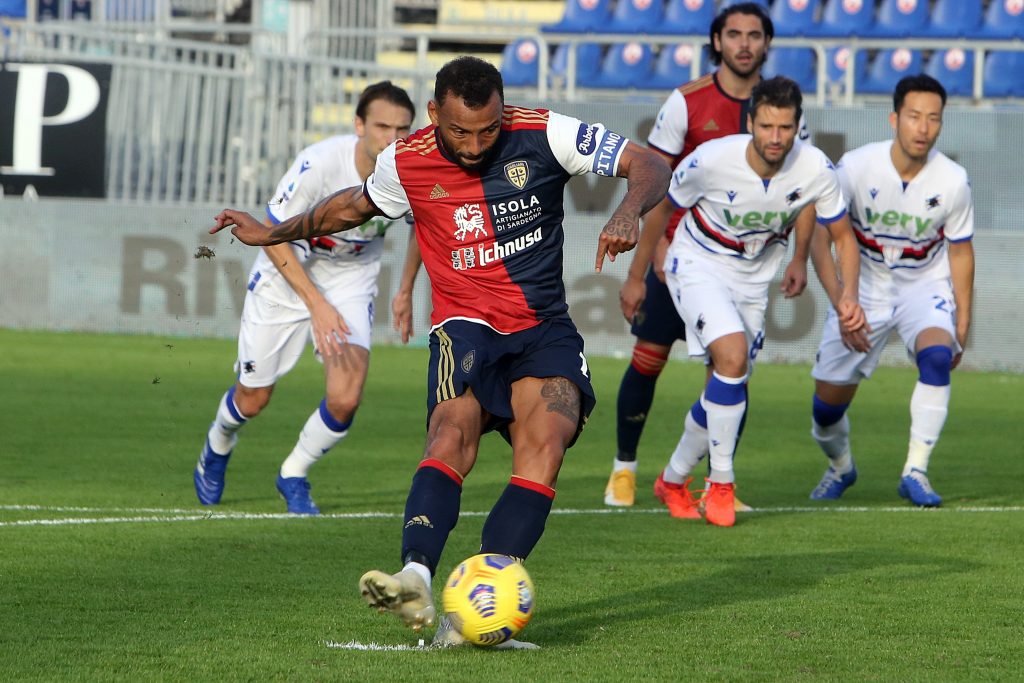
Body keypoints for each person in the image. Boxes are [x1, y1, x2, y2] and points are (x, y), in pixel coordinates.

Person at [209, 57, 671, 640]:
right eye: (460, 131)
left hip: (542, 327)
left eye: (488, 129)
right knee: (451, 434)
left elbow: (651, 164)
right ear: (434, 114)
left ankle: (475, 603)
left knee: (547, 443)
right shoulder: (406, 160)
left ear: (503, 111)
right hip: (465, 327)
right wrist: (271, 232)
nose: (475, 145)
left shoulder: (546, 133)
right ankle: (416, 577)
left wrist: (628, 209)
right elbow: (351, 207)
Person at [632, 76, 865, 526]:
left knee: (728, 382)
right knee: (733, 357)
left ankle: (673, 480)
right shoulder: (711, 159)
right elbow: (662, 205)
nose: (775, 137)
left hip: (755, 280)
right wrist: (636, 273)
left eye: (785, 127)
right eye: (766, 126)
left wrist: (846, 293)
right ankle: (721, 483)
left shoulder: (816, 168)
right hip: (697, 262)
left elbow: (841, 236)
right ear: (751, 123)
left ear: (798, 126)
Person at [606, 2, 809, 509]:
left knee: (730, 369)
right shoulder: (687, 101)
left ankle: (714, 481)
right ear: (717, 41)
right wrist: (637, 271)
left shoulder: (782, 109)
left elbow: (804, 191)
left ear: (767, 43)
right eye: (734, 34)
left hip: (742, 265)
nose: (744, 44)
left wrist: (799, 257)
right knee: (648, 359)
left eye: (754, 35)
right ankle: (624, 470)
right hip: (679, 254)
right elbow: (654, 182)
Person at [193, 81, 420, 515]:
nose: (393, 138)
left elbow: (422, 228)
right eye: (382, 127)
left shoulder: (412, 168)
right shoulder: (320, 163)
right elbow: (271, 235)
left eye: (402, 129)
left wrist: (406, 289)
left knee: (345, 398)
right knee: (253, 399)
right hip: (288, 272)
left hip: (351, 277)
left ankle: (293, 473)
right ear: (359, 125)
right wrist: (317, 305)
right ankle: (218, 441)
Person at [807, 75, 974, 507]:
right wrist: (842, 302)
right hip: (864, 287)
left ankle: (915, 471)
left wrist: (962, 319)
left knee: (937, 358)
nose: (924, 128)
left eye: (933, 118)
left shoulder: (953, 180)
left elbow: (960, 252)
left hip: (924, 284)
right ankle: (841, 466)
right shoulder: (856, 167)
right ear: (894, 119)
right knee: (825, 411)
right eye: (914, 116)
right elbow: (820, 239)